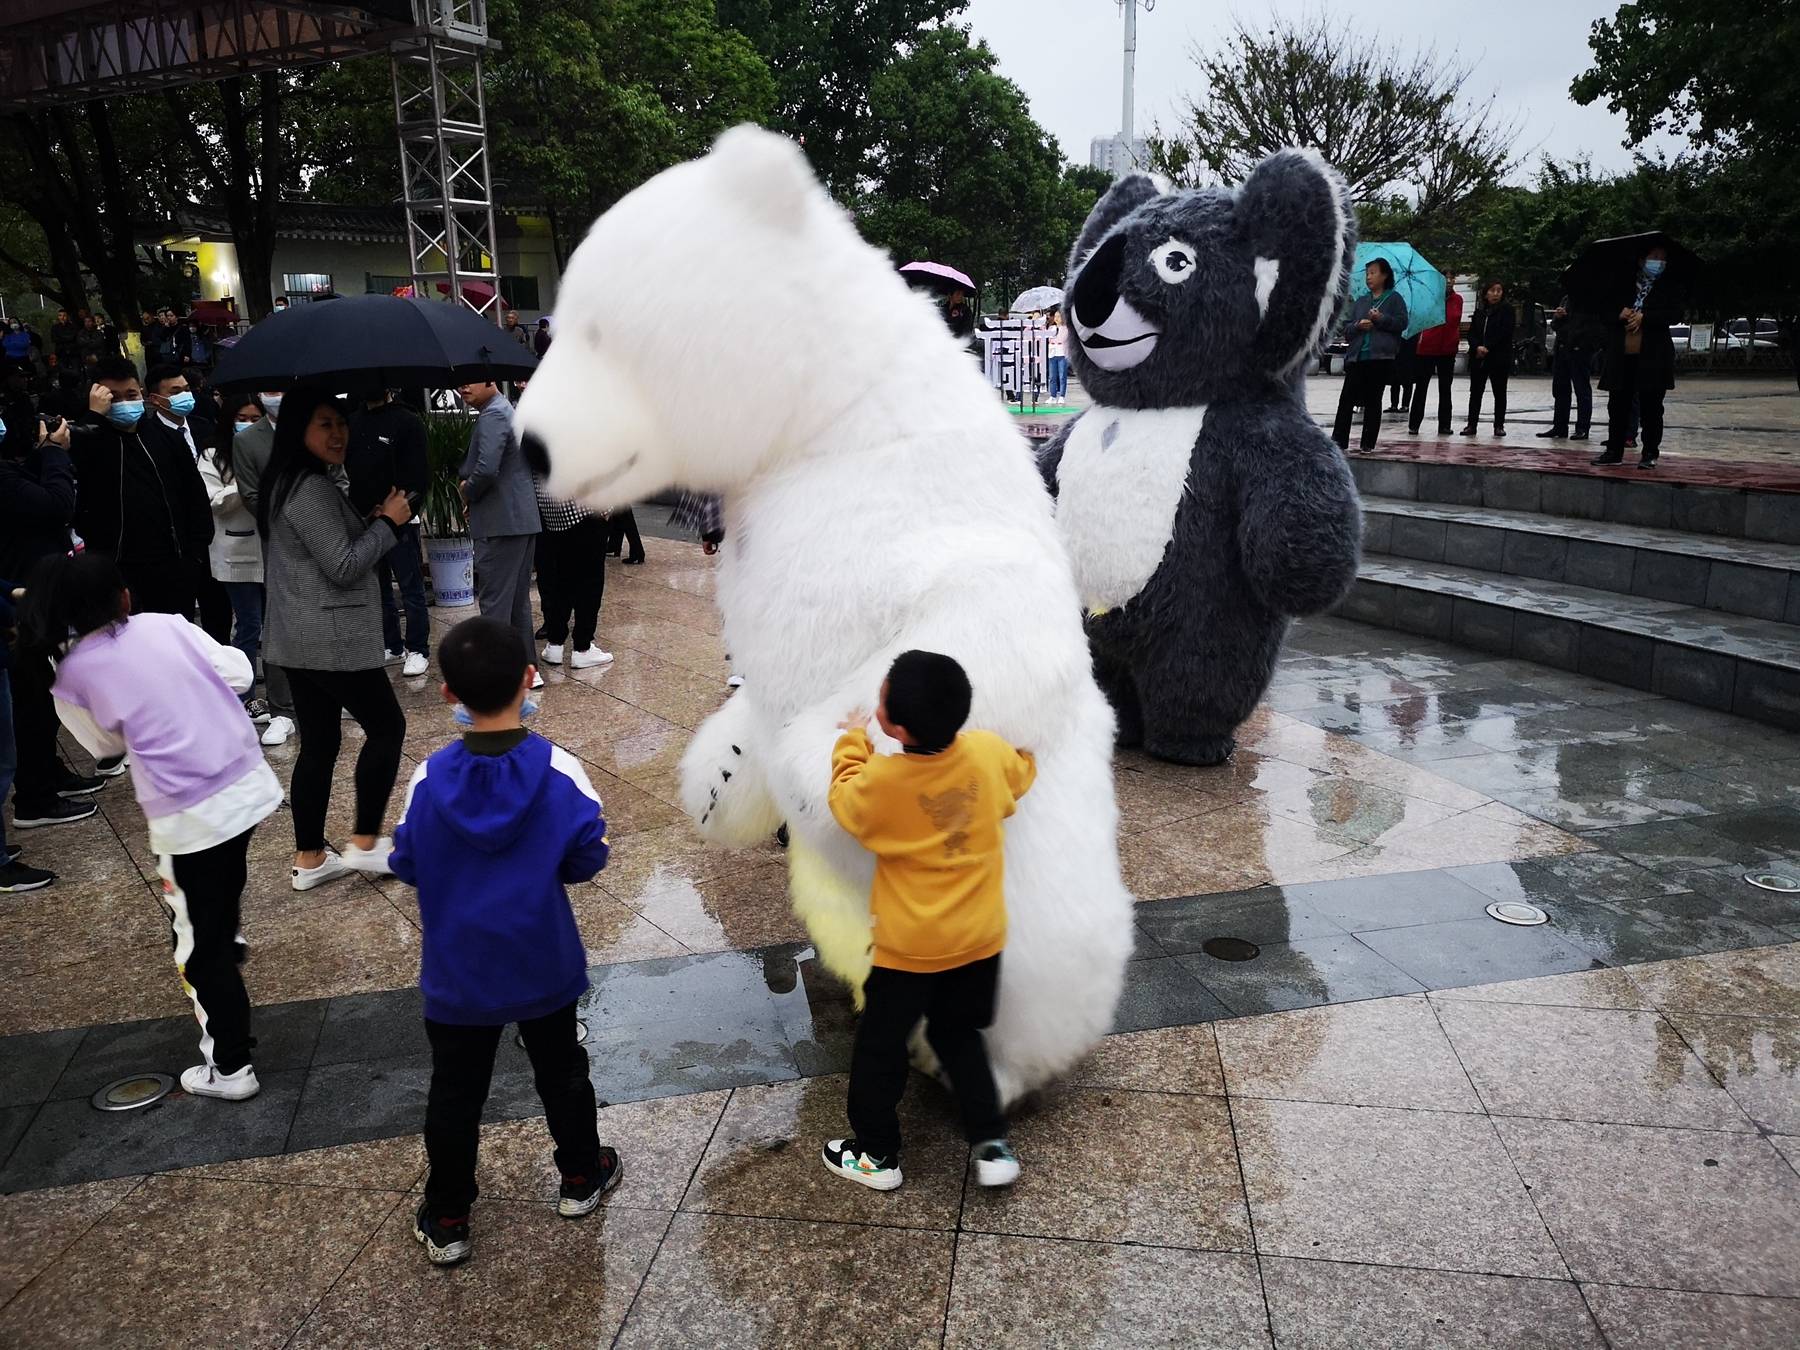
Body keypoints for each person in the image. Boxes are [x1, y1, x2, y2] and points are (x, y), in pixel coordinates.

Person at [390, 615, 620, 1266]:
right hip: (542, 960)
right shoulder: (560, 771)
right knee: (561, 1072)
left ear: (448, 695)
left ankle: (449, 1215)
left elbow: (405, 861)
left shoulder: (427, 780)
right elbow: (588, 856)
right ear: (529, 680)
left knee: (456, 1091)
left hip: (459, 971)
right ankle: (580, 1177)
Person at [19, 551, 283, 1098]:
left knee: (194, 943)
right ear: (124, 597)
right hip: (248, 786)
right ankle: (221, 929)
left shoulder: (70, 677)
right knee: (218, 892)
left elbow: (104, 748)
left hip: (189, 816)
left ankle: (230, 1067)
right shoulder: (168, 625)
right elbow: (236, 671)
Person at [821, 650, 1032, 1193]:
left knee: (879, 1045)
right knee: (959, 1035)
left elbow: (846, 799)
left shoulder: (885, 783)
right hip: (980, 938)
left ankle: (875, 1154)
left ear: (895, 726)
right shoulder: (987, 754)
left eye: (882, 700)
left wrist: (852, 739)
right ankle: (991, 1143)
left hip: (908, 950)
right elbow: (1021, 771)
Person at [258, 385, 413, 890]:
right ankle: (366, 843)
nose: (338, 432)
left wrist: (366, 523)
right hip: (330, 639)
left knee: (320, 743)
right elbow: (344, 565)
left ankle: (309, 858)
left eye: (341, 421)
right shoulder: (308, 488)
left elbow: (323, 552)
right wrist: (388, 524)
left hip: (299, 638)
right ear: (298, 429)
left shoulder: (289, 481)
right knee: (387, 727)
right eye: (324, 423)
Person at [0, 410, 102, 832]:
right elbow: (56, 506)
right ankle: (35, 796)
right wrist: (54, 454)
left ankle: (48, 772)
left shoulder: (11, 469)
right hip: (20, 596)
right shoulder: (5, 478)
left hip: (34, 590)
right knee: (31, 702)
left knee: (44, 695)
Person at [70, 358, 214, 620]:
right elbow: (81, 464)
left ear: (143, 395)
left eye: (131, 394)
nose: (124, 402)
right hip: (117, 566)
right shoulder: (93, 439)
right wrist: (93, 416)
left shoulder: (165, 437)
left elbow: (194, 495)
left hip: (173, 563)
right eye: (113, 397)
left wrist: (195, 554)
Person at [456, 380, 542, 671]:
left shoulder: (494, 414)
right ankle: (524, 669)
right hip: (518, 519)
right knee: (517, 601)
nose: (462, 387)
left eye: (470, 380)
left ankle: (498, 673)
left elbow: (486, 468)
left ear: (491, 380)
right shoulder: (505, 409)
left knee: (495, 603)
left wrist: (468, 489)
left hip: (500, 522)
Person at [142, 364, 231, 642]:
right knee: (178, 619)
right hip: (176, 544)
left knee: (218, 611)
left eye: (186, 389)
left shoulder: (205, 427)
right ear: (155, 399)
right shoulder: (147, 435)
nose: (185, 396)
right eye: (175, 391)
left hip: (213, 536)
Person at [347, 389, 431, 677]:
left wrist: (402, 507)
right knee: (377, 586)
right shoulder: (353, 421)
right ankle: (390, 642)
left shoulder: (406, 421)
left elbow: (419, 473)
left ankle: (418, 647)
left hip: (400, 519)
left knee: (410, 586)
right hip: (363, 518)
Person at [198, 397, 271, 724]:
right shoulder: (212, 455)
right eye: (242, 417)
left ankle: (282, 696)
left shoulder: (270, 448)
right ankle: (244, 698)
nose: (248, 423)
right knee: (248, 624)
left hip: (271, 549)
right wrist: (243, 480)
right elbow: (214, 503)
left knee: (275, 626)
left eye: (255, 418)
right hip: (234, 553)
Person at [232, 389, 297, 746]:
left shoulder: (314, 426)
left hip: (327, 537)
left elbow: (339, 478)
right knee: (279, 623)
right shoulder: (248, 441)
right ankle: (283, 709)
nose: (278, 397)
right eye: (271, 391)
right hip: (280, 542)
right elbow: (251, 495)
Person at [1593, 244, 1678, 470]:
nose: (1659, 261)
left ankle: (1650, 452)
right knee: (1618, 404)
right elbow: (1604, 312)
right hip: (1622, 355)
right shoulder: (1622, 284)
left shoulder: (1668, 287)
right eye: (1654, 256)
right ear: (1642, 260)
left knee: (1651, 406)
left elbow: (1674, 314)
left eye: (1663, 258)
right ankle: (1614, 450)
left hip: (1653, 356)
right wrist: (1619, 313)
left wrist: (1645, 317)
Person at [1331, 258, 1408, 452]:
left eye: (1373, 272)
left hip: (1380, 358)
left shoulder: (1394, 299)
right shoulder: (1361, 301)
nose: (1369, 277)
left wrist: (1380, 319)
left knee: (1373, 400)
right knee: (1346, 400)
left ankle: (1367, 443)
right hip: (1357, 357)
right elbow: (1346, 328)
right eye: (1367, 273)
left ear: (1385, 275)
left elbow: (1401, 324)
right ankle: (1339, 441)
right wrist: (1358, 326)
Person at [535, 480, 613, 671]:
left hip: (552, 512)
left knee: (561, 580)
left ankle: (555, 642)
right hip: (585, 509)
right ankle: (583, 647)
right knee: (590, 583)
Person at [1538, 294, 1599, 441]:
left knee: (1581, 389)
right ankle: (1560, 426)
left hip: (1579, 348)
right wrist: (1559, 317)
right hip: (1562, 347)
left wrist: (1568, 317)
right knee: (1560, 389)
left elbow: (1590, 325)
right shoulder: (1566, 298)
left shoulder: (1589, 299)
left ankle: (1582, 428)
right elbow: (1555, 325)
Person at [1460, 280, 1515, 437]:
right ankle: (1471, 424)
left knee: (1499, 392)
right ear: (1486, 293)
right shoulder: (1480, 312)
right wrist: (1477, 346)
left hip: (1498, 357)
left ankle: (1499, 425)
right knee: (1476, 392)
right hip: (1479, 357)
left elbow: (1505, 332)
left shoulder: (1507, 310)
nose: (1496, 294)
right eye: (1492, 290)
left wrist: (1488, 347)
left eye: (1499, 290)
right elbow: (1472, 333)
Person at [1406, 289, 1462, 436]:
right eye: (1446, 277)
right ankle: (1414, 424)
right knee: (1421, 387)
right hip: (1427, 348)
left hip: (1448, 349)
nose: (1449, 281)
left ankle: (1444, 425)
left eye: (1452, 277)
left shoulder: (1458, 300)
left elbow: (1456, 321)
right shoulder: (1428, 297)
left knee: (1445, 389)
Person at [1045, 312, 1068, 400]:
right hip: (1052, 353)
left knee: (1062, 376)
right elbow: (1048, 338)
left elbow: (1062, 339)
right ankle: (1052, 395)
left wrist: (1055, 338)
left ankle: (1062, 395)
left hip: (1062, 353)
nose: (1057, 318)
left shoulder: (1065, 328)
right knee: (1052, 376)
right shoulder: (1051, 328)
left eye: (1059, 316)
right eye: (1055, 316)